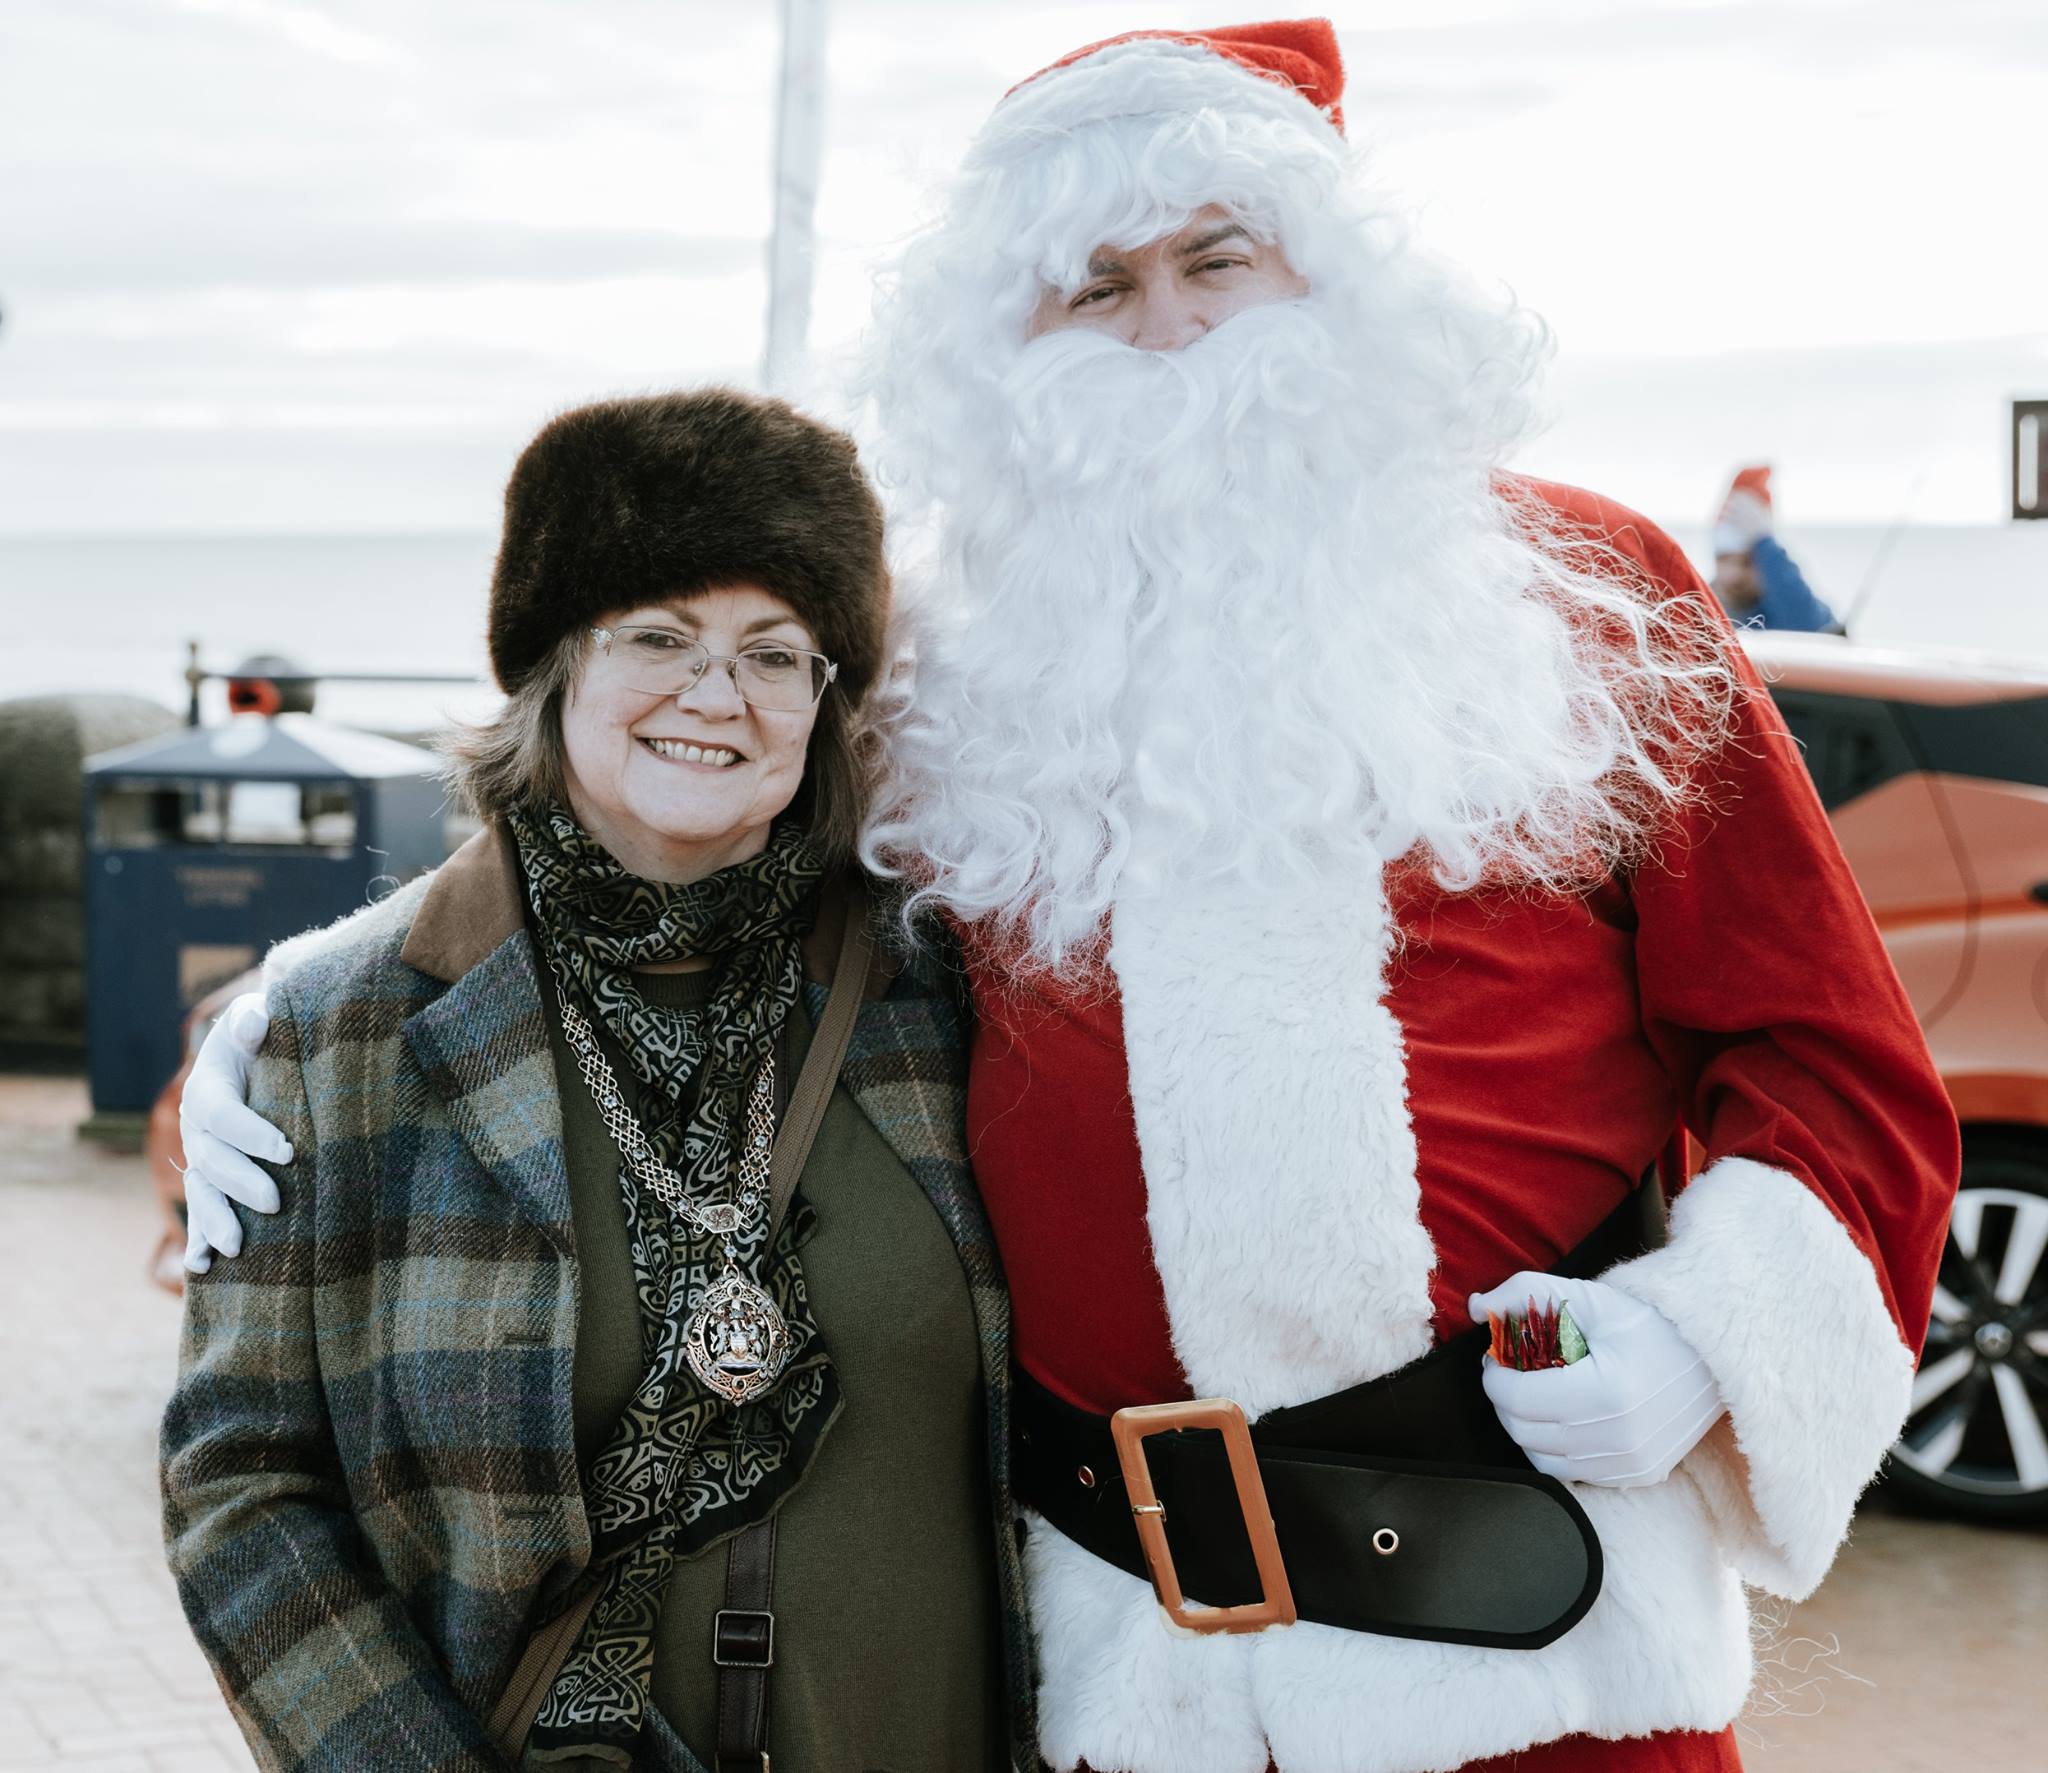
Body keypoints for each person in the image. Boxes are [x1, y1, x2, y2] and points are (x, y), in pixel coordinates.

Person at [180, 19, 1958, 1773]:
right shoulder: (956, 662)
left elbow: (1829, 1056)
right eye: (1095, 286)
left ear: (1332, 280)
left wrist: (1704, 1341)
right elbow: (674, 834)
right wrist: (303, 1007)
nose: (1166, 326)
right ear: (1006, 343)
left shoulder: (1577, 592)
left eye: (1215, 258)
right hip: (1116, 1670)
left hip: (1522, 1639)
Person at [161, 390, 1031, 1773]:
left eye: (773, 652)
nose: (714, 694)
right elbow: (244, 1479)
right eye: (659, 636)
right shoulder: (348, 1030)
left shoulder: (945, 994)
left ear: (827, 700)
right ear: (556, 668)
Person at [1709, 465, 1840, 631]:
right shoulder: (1699, 609)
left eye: (1747, 562)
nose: (1733, 574)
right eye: (1723, 559)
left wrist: (1763, 542)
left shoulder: (1802, 612)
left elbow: (1807, 627)